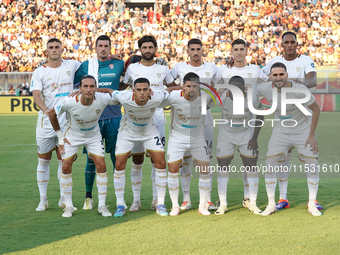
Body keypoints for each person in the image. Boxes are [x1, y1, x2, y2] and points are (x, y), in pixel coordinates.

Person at [253, 62, 321, 216]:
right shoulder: (264, 88)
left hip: (302, 130)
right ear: (270, 77)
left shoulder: (299, 89)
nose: (278, 78)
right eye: (275, 75)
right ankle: (271, 204)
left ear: (287, 75)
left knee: (312, 163)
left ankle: (312, 203)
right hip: (281, 130)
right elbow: (251, 92)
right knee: (270, 164)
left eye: (281, 74)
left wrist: (312, 135)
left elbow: (316, 109)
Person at [121, 35, 176, 212]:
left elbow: (173, 87)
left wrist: (162, 92)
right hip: (135, 120)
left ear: (155, 49)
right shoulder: (132, 68)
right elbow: (122, 87)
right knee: (136, 159)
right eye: (144, 47)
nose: (147, 50)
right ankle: (136, 201)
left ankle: (155, 200)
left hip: (157, 119)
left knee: (156, 160)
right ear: (140, 50)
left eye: (150, 47)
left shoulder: (163, 68)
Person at [48, 75, 114, 218]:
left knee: (101, 165)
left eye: (92, 86)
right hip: (72, 136)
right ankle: (69, 206)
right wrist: (60, 137)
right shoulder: (69, 101)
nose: (89, 90)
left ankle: (102, 206)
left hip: (93, 135)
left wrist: (107, 89)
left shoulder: (103, 99)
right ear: (79, 89)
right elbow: (51, 113)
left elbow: (116, 94)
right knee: (65, 166)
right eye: (85, 86)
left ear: (96, 88)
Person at [214, 38, 268, 209]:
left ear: (246, 51)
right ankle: (222, 202)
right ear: (231, 51)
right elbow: (213, 87)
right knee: (223, 164)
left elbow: (268, 84)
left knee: (249, 163)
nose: (238, 52)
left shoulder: (255, 70)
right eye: (235, 49)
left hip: (248, 123)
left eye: (241, 49)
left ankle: (248, 200)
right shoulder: (223, 69)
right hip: (227, 124)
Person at [107, 78, 172, 217]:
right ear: (133, 90)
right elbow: (109, 90)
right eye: (139, 90)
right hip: (128, 133)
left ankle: (160, 203)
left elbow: (170, 90)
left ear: (150, 90)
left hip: (149, 132)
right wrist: (88, 90)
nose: (142, 93)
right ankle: (121, 204)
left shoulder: (157, 96)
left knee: (160, 163)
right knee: (119, 164)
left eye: (145, 89)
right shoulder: (124, 96)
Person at [74, 35, 125, 211]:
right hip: (92, 119)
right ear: (95, 48)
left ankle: (120, 198)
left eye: (106, 46)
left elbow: (126, 83)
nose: (103, 48)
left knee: (116, 158)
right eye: (100, 46)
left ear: (111, 48)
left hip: (114, 118)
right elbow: (77, 87)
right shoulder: (86, 66)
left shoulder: (119, 64)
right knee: (91, 160)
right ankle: (88, 198)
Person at [30, 38, 81, 211]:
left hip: (66, 123)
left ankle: (63, 199)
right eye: (51, 47)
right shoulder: (39, 72)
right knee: (43, 161)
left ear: (62, 49)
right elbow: (36, 95)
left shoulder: (73, 65)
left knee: (63, 162)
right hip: (45, 123)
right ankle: (43, 199)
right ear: (46, 51)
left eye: (57, 47)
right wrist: (46, 110)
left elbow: (90, 71)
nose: (54, 50)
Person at [170, 38, 219, 211]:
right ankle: (186, 198)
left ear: (202, 50)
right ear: (188, 51)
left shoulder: (212, 68)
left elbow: (217, 87)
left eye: (199, 49)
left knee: (205, 161)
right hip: (183, 120)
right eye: (193, 49)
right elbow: (169, 84)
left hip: (205, 120)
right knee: (185, 161)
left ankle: (207, 199)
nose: (196, 52)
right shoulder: (179, 68)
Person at [162, 72, 212, 216]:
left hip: (198, 138)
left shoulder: (206, 97)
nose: (191, 89)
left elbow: (220, 93)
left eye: (195, 86)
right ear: (183, 86)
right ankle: (175, 206)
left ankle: (202, 206)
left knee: (205, 170)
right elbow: (157, 98)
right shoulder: (173, 98)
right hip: (177, 138)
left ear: (199, 86)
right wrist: (169, 89)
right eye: (188, 86)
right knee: (173, 170)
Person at [214, 76, 264, 215]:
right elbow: (204, 103)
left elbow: (261, 115)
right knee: (223, 166)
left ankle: (252, 202)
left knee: (251, 166)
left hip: (246, 134)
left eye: (239, 88)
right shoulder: (222, 96)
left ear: (244, 88)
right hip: (226, 134)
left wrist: (254, 138)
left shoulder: (252, 98)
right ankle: (223, 204)